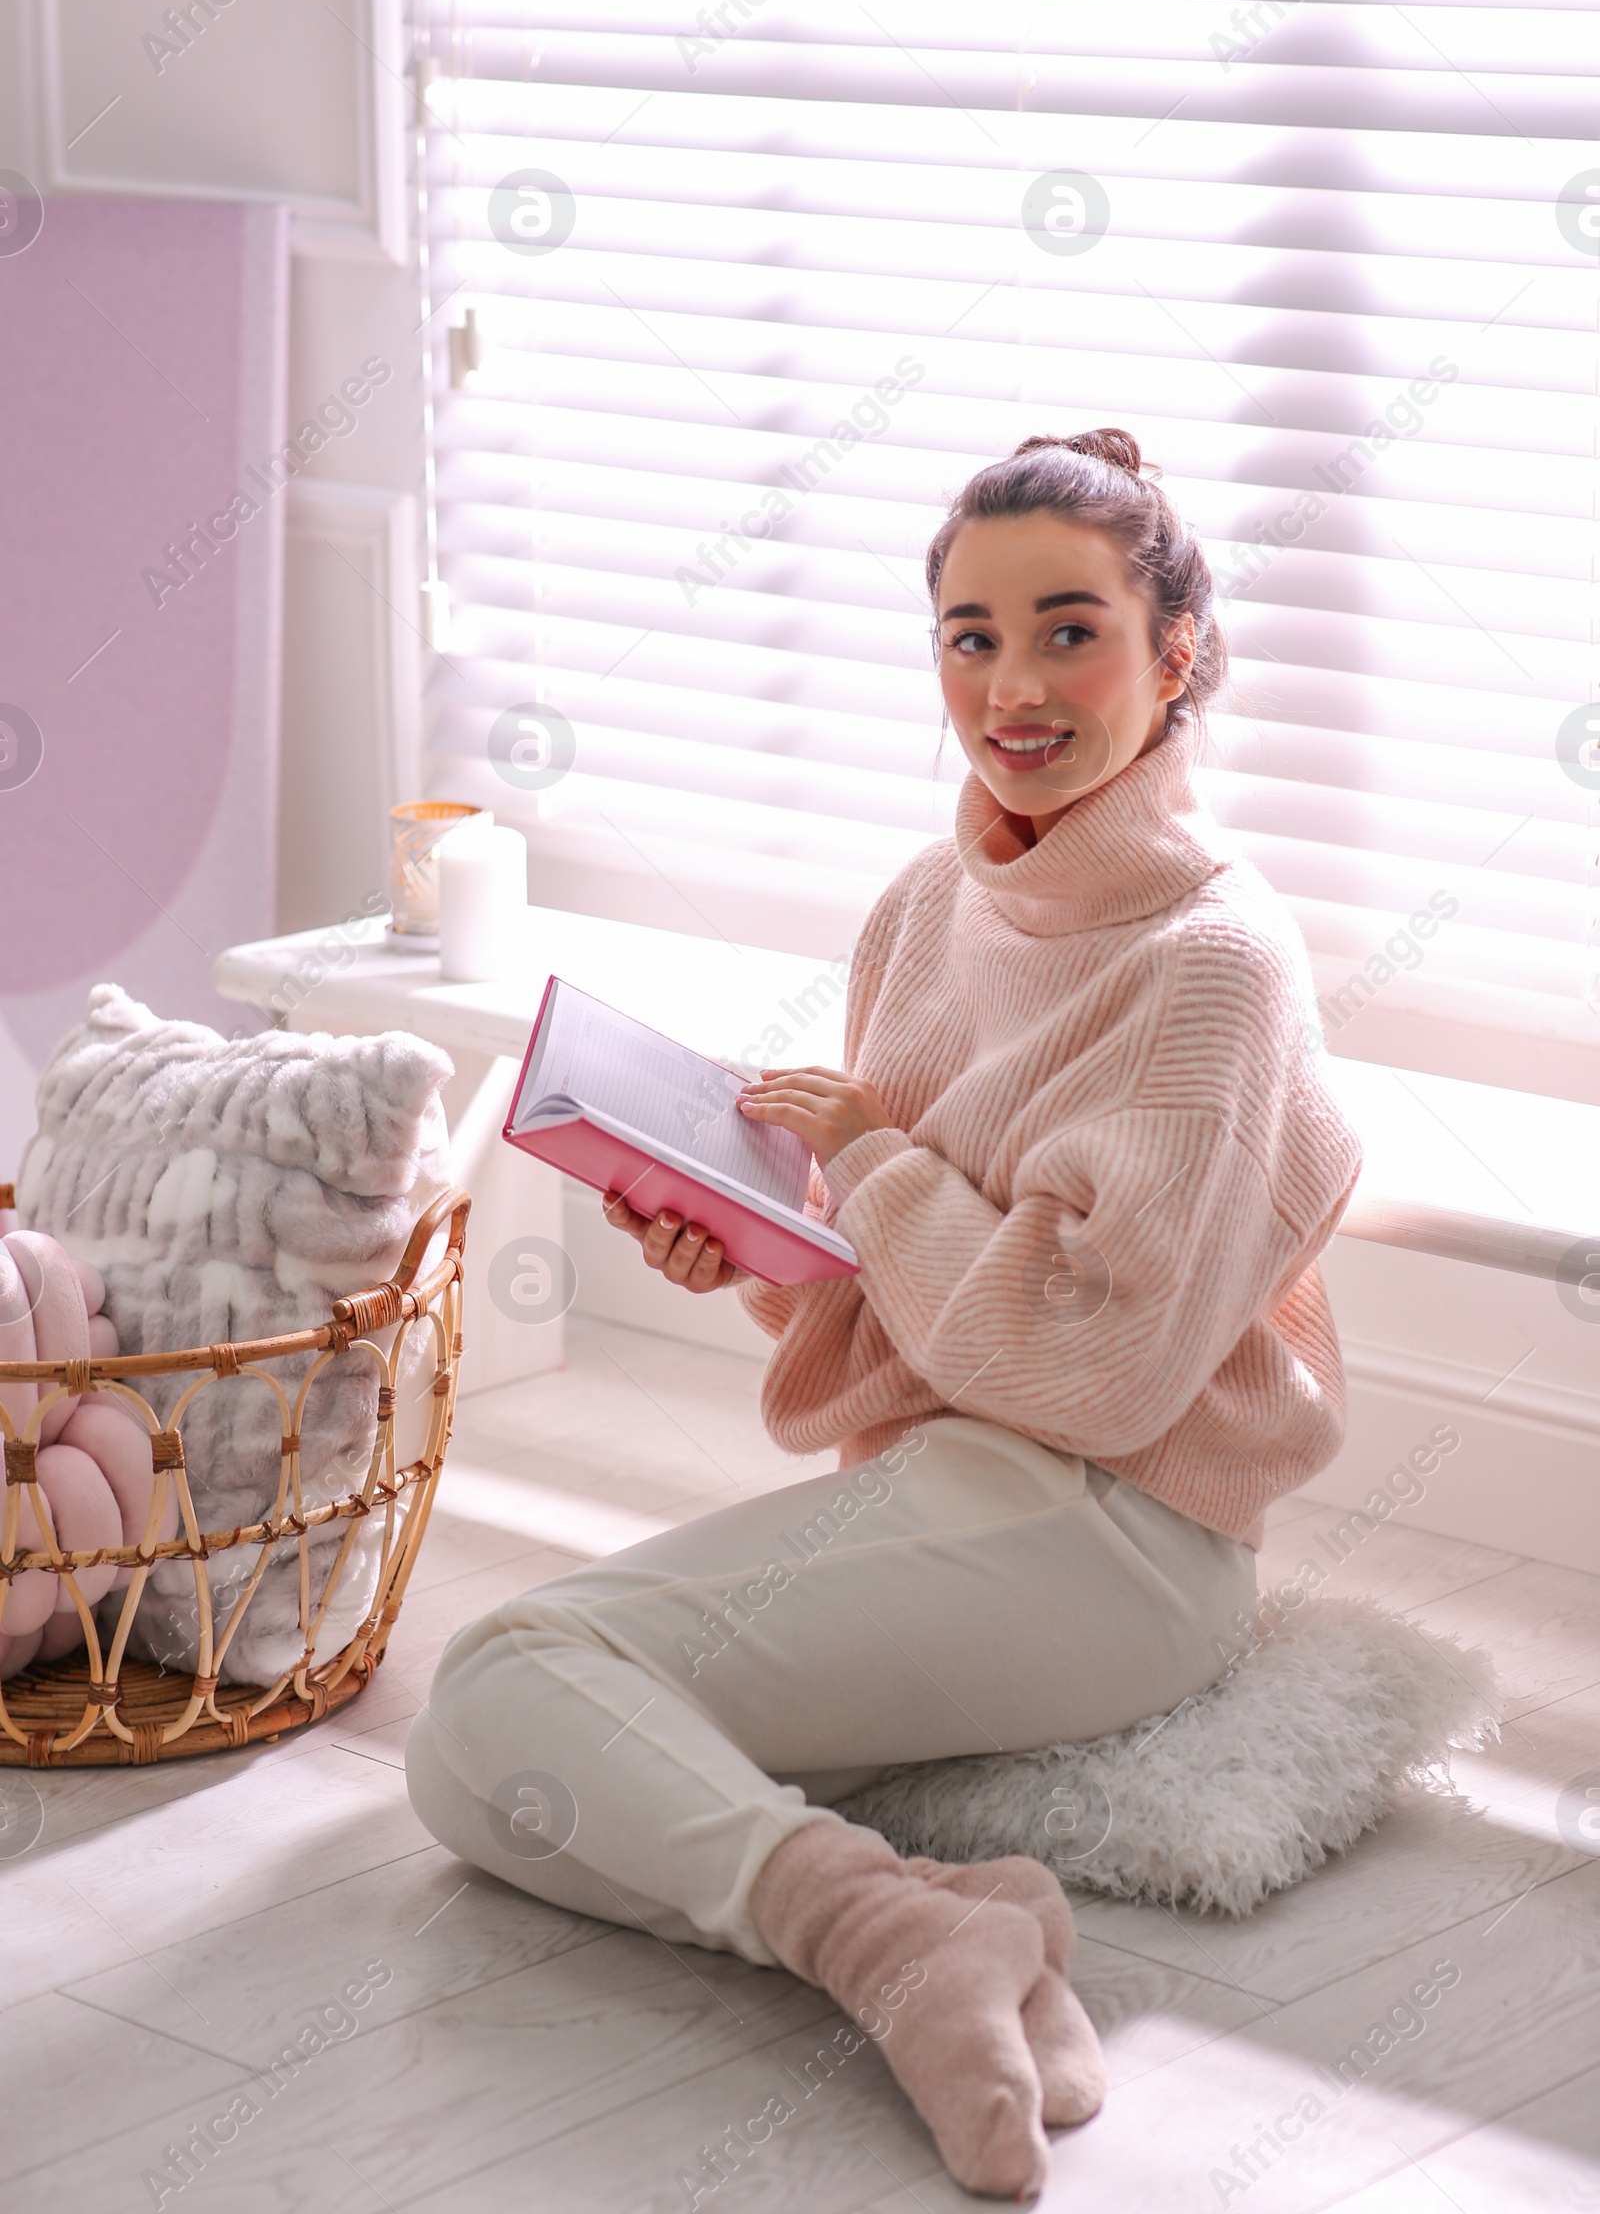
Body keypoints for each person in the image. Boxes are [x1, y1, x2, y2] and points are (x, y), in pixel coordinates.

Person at [405, 428, 1364, 2199]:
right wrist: (765, 1239)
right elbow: (914, 1275)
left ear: (1183, 653)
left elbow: (1092, 1364)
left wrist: (877, 1167)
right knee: (478, 1757)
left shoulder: (1213, 962)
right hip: (954, 1479)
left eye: (1071, 630)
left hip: (1121, 1534)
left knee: (516, 1673)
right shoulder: (928, 906)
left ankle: (893, 1947)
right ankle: (922, 1931)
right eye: (969, 635)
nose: (1012, 686)